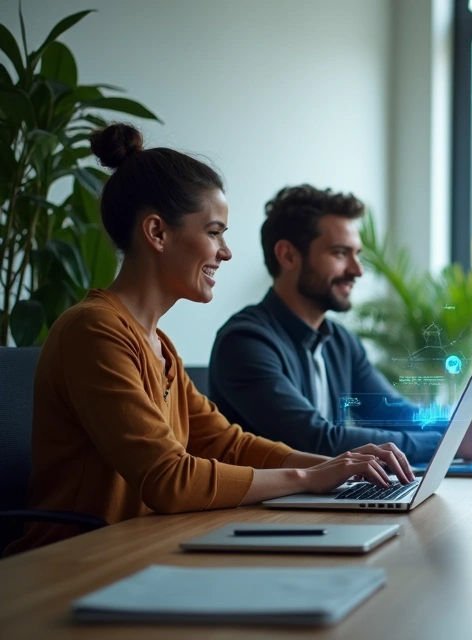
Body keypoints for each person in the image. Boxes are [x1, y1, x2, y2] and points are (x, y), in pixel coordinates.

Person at [5, 125, 412, 556]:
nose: (226, 251)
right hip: (73, 565)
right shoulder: (94, 331)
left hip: (144, 550)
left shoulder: (158, 344)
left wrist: (338, 468)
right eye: (215, 232)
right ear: (157, 233)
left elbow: (227, 444)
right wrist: (309, 478)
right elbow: (169, 480)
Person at [208, 185, 472, 463]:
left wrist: (459, 426)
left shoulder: (340, 340)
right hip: (265, 512)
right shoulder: (245, 342)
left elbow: (393, 414)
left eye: (356, 255)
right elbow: (315, 440)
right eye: (339, 253)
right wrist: (449, 443)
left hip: (321, 502)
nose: (357, 270)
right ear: (288, 255)